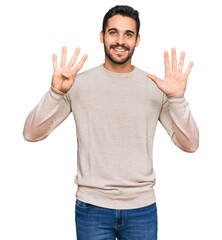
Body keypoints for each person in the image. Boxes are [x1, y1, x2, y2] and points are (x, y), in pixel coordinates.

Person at [23, 5, 199, 240]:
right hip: (91, 208)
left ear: (137, 40)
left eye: (128, 34)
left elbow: (190, 145)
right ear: (102, 36)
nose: (120, 41)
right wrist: (55, 92)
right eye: (113, 32)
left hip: (141, 209)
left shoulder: (155, 87)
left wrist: (177, 98)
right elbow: (31, 134)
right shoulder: (76, 83)